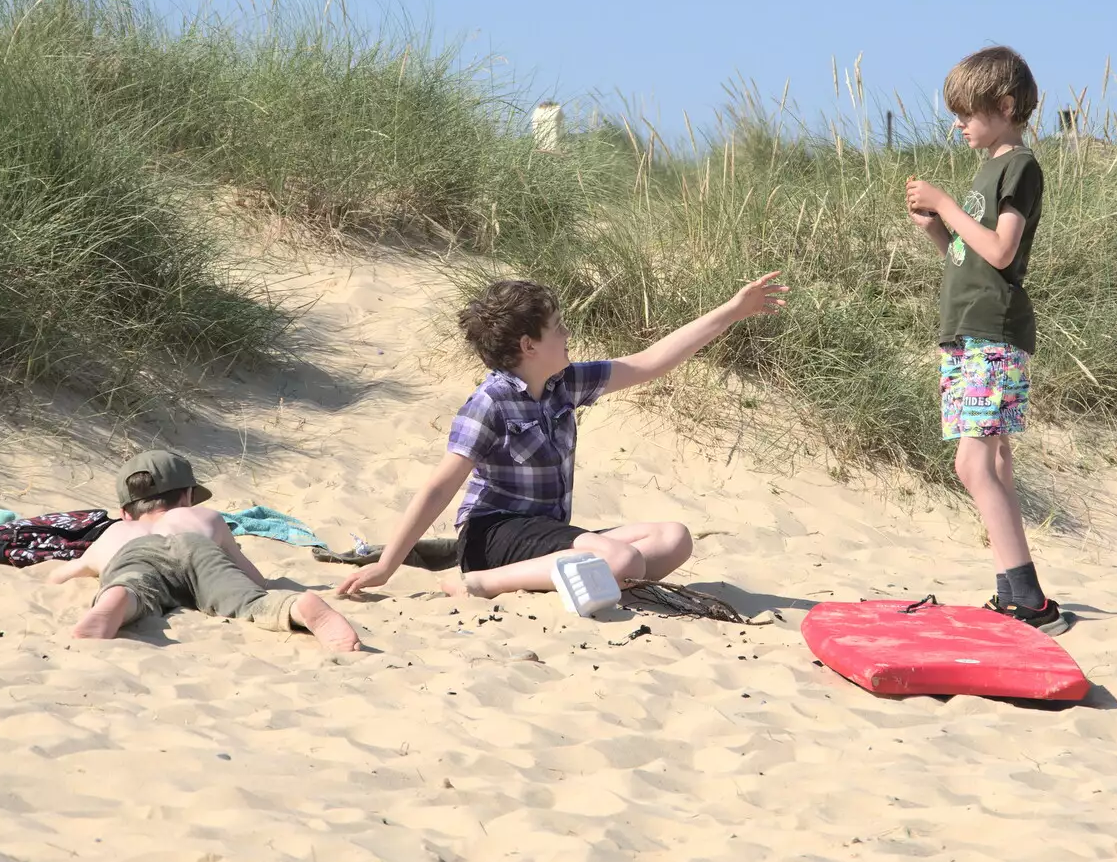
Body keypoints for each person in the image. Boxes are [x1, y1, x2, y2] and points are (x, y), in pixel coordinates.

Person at [336, 273, 788, 601]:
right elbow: (439, 487)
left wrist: (734, 310)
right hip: (493, 535)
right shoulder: (490, 402)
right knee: (625, 563)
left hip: (549, 533)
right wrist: (386, 565)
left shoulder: (564, 383)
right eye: (557, 327)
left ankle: (573, 575)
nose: (568, 334)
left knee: (674, 539)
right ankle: (475, 584)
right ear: (529, 345)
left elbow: (652, 361)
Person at [904, 45, 1068, 635]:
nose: (958, 124)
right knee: (992, 460)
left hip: (990, 334)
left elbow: (1001, 252)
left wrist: (946, 204)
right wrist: (936, 230)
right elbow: (967, 257)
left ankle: (1028, 596)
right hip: (973, 333)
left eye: (967, 114)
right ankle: (1017, 593)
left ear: (1003, 106)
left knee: (973, 461)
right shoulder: (988, 169)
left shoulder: (1019, 165)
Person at [42, 450, 361, 651]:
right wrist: (258, 589)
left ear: (126, 511)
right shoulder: (203, 518)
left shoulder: (117, 531)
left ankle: (119, 600)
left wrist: (78, 569)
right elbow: (253, 578)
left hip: (135, 554)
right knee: (248, 600)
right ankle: (296, 607)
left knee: (134, 584)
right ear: (189, 496)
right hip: (197, 549)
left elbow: (62, 576)